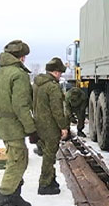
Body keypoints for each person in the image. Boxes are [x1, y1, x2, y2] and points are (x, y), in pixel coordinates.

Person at [0, 40, 38, 206]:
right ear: (22, 57)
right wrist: (32, 130)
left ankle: (14, 195)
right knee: (17, 161)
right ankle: (4, 198)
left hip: (3, 123)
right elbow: (21, 106)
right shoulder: (19, 75)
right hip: (14, 124)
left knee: (15, 158)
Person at [33, 57, 69, 195]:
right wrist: (63, 127)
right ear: (56, 72)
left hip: (39, 124)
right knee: (49, 155)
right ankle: (44, 184)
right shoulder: (52, 87)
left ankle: (51, 179)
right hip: (50, 126)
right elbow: (57, 110)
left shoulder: (37, 84)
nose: (61, 75)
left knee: (47, 153)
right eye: (60, 72)